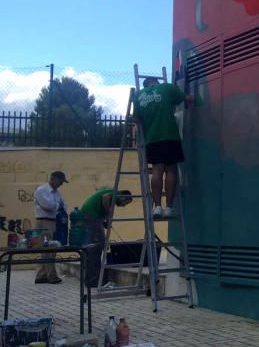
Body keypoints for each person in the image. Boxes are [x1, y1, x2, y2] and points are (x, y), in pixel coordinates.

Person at [134, 77, 193, 217]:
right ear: (156, 82)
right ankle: (169, 208)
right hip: (170, 135)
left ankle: (157, 207)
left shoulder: (139, 96)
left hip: (152, 139)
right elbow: (187, 98)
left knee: (157, 170)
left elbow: (136, 119)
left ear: (145, 85)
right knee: (171, 170)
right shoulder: (166, 87)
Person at [79, 187, 133, 288]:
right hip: (91, 216)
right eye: (126, 203)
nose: (124, 206)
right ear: (123, 198)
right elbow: (105, 198)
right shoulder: (115, 193)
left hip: (91, 216)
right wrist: (108, 217)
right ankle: (93, 281)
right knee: (96, 247)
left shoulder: (111, 193)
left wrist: (104, 220)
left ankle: (93, 279)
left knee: (96, 246)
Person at [32, 170, 68, 284]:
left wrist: (57, 205)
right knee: (48, 249)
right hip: (44, 222)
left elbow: (65, 205)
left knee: (48, 249)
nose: (61, 184)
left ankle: (41, 276)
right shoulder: (42, 190)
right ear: (54, 179)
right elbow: (49, 206)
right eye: (61, 181)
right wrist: (58, 205)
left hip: (53, 222)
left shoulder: (56, 192)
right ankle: (52, 276)